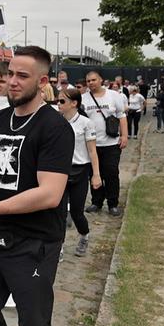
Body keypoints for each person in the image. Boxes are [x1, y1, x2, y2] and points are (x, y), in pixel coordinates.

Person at [0, 46, 74, 326]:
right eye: (10, 73)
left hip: (34, 243)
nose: (12, 81)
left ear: (42, 82)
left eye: (22, 76)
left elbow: (50, 194)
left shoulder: (55, 128)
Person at [57, 88, 102, 257]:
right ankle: (58, 247)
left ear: (74, 103)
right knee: (59, 212)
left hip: (80, 171)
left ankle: (84, 235)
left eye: (62, 101)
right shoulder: (56, 121)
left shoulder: (86, 123)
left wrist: (96, 175)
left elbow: (92, 151)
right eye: (58, 101)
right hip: (60, 172)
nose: (58, 104)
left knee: (76, 212)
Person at [82, 71, 128, 217]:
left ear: (101, 80)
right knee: (94, 174)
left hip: (111, 143)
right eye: (88, 81)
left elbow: (121, 115)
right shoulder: (83, 98)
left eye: (93, 80)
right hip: (91, 145)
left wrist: (124, 135)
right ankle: (96, 201)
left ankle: (113, 204)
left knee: (111, 173)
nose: (91, 83)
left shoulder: (114, 96)